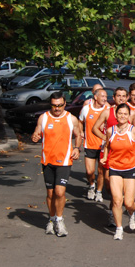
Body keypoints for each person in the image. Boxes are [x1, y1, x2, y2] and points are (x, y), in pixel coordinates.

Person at [32, 92, 82, 237]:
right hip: (47, 160)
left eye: (60, 105)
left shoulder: (71, 119)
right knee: (50, 193)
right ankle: (52, 218)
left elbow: (78, 135)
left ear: (65, 104)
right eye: (54, 105)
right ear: (51, 105)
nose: (57, 108)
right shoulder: (44, 117)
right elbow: (37, 132)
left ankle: (59, 221)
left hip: (64, 160)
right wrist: (35, 136)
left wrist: (77, 148)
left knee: (60, 192)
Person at [100, 104, 135, 240]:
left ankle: (132, 214)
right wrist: (104, 157)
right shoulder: (110, 131)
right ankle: (119, 228)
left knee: (128, 203)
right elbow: (107, 145)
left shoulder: (134, 131)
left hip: (130, 168)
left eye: (125, 114)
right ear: (115, 115)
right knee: (116, 200)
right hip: (114, 168)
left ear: (129, 116)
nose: (122, 116)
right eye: (120, 113)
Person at [79, 88, 109, 202]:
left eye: (106, 97)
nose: (105, 99)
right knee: (89, 171)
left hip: (103, 146)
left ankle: (99, 192)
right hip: (89, 144)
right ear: (95, 97)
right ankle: (91, 185)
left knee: (101, 171)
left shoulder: (108, 109)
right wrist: (81, 131)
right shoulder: (86, 109)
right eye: (102, 96)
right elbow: (80, 121)